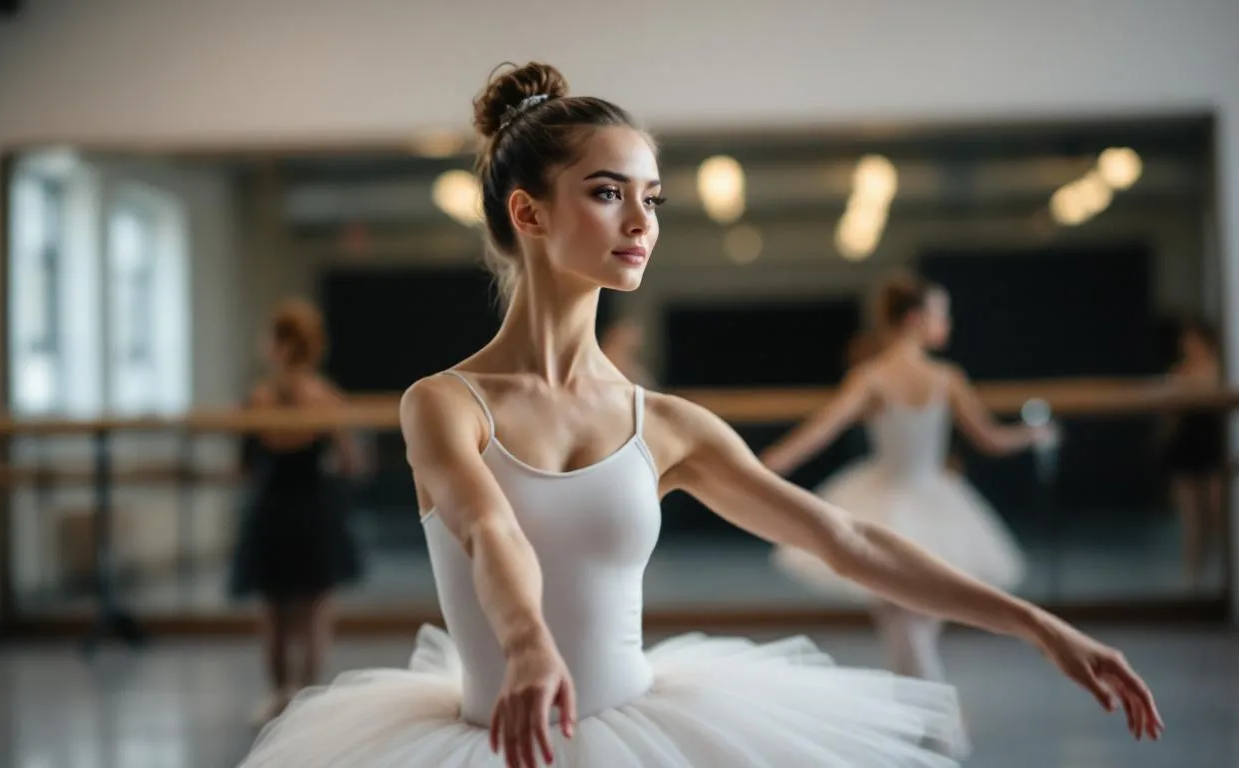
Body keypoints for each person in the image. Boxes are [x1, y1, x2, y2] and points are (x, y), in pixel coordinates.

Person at [238, 63, 1161, 768]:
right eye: (608, 193)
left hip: (639, 732)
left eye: (652, 199)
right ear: (528, 211)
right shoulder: (444, 404)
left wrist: (1039, 625)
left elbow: (847, 541)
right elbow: (490, 531)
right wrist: (527, 645)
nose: (641, 221)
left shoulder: (669, 426)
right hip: (490, 734)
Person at [760, 273, 1054, 751]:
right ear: (916, 319)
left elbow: (819, 432)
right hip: (925, 504)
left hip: (890, 506)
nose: (947, 323)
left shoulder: (873, 377)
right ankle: (933, 733)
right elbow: (991, 439)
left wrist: (764, 465)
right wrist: (1035, 435)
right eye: (941, 314)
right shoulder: (945, 377)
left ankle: (929, 732)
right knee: (911, 627)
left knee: (905, 626)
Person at [229, 298, 366, 727]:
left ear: (277, 344)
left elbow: (243, 466)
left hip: (272, 507)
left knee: (274, 611)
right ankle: (308, 697)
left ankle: (278, 694)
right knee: (315, 612)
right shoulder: (326, 397)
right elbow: (351, 462)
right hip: (314, 507)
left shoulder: (258, 398)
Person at [1159, 318, 1228, 589]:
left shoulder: (1219, 370)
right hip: (1186, 447)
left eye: (1193, 340)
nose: (1188, 345)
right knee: (1191, 519)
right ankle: (1193, 575)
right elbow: (1170, 415)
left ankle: (1224, 573)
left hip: (1211, 447)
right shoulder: (1179, 371)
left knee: (1217, 512)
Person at [600, 315, 657, 387]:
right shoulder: (600, 358)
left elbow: (648, 386)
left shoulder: (636, 370)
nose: (636, 338)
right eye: (631, 332)